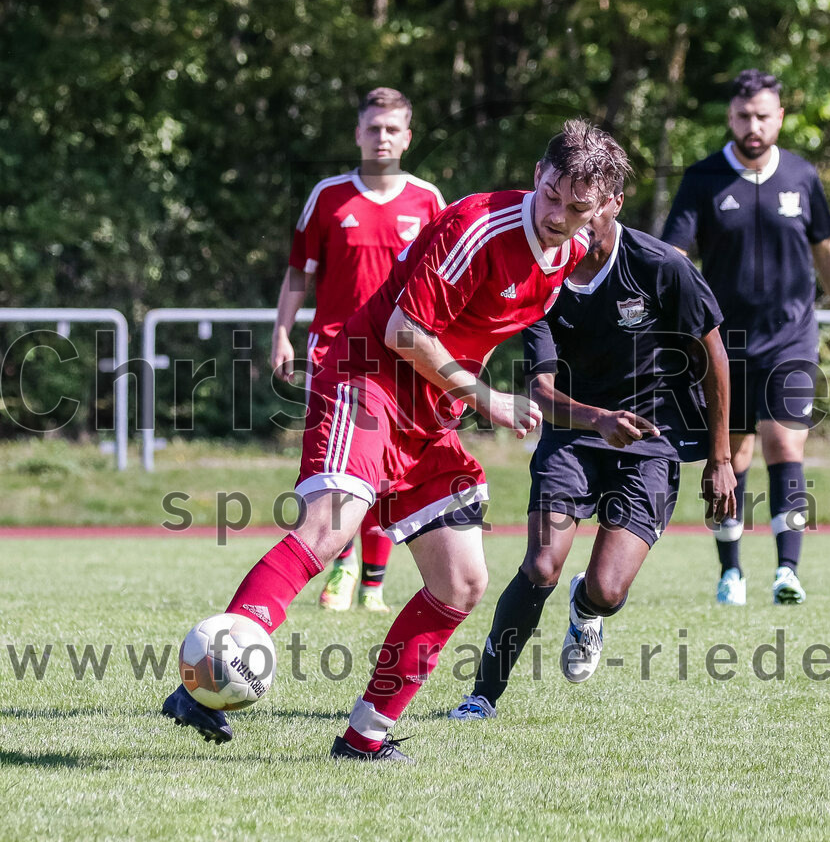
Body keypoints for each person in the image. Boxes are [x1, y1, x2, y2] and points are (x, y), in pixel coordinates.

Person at [162, 118, 631, 762]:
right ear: (537, 176)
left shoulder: (573, 251)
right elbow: (403, 330)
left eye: (576, 208)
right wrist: (486, 398)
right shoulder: (478, 226)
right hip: (367, 381)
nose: (557, 215)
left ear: (603, 208)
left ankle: (364, 738)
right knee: (331, 524)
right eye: (550, 194)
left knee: (461, 582)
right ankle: (205, 685)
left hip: (428, 419)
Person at [448, 182, 736, 720]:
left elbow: (714, 355)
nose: (567, 219)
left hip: (651, 440)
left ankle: (587, 609)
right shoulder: (543, 275)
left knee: (607, 589)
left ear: (614, 203)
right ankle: (481, 696)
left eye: (583, 207)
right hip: (573, 431)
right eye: (559, 204)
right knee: (540, 566)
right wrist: (598, 419)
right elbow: (541, 391)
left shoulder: (661, 265)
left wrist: (720, 459)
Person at [661, 69, 830, 607]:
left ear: (780, 117)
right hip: (722, 343)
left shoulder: (802, 175)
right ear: (731, 118)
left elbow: (828, 249)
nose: (754, 126)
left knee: (784, 442)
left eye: (763, 116)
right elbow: (673, 255)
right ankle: (731, 571)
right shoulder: (703, 178)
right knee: (732, 452)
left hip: (791, 337)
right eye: (744, 116)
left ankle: (787, 571)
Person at [271, 87, 445, 614]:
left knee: (387, 471)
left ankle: (372, 582)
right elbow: (299, 272)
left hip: (401, 357)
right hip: (334, 353)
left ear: (408, 137)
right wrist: (281, 333)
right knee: (336, 470)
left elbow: (445, 282)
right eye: (373, 128)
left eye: (392, 129)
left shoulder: (428, 201)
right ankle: (343, 564)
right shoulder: (328, 196)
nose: (382, 137)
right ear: (357, 134)